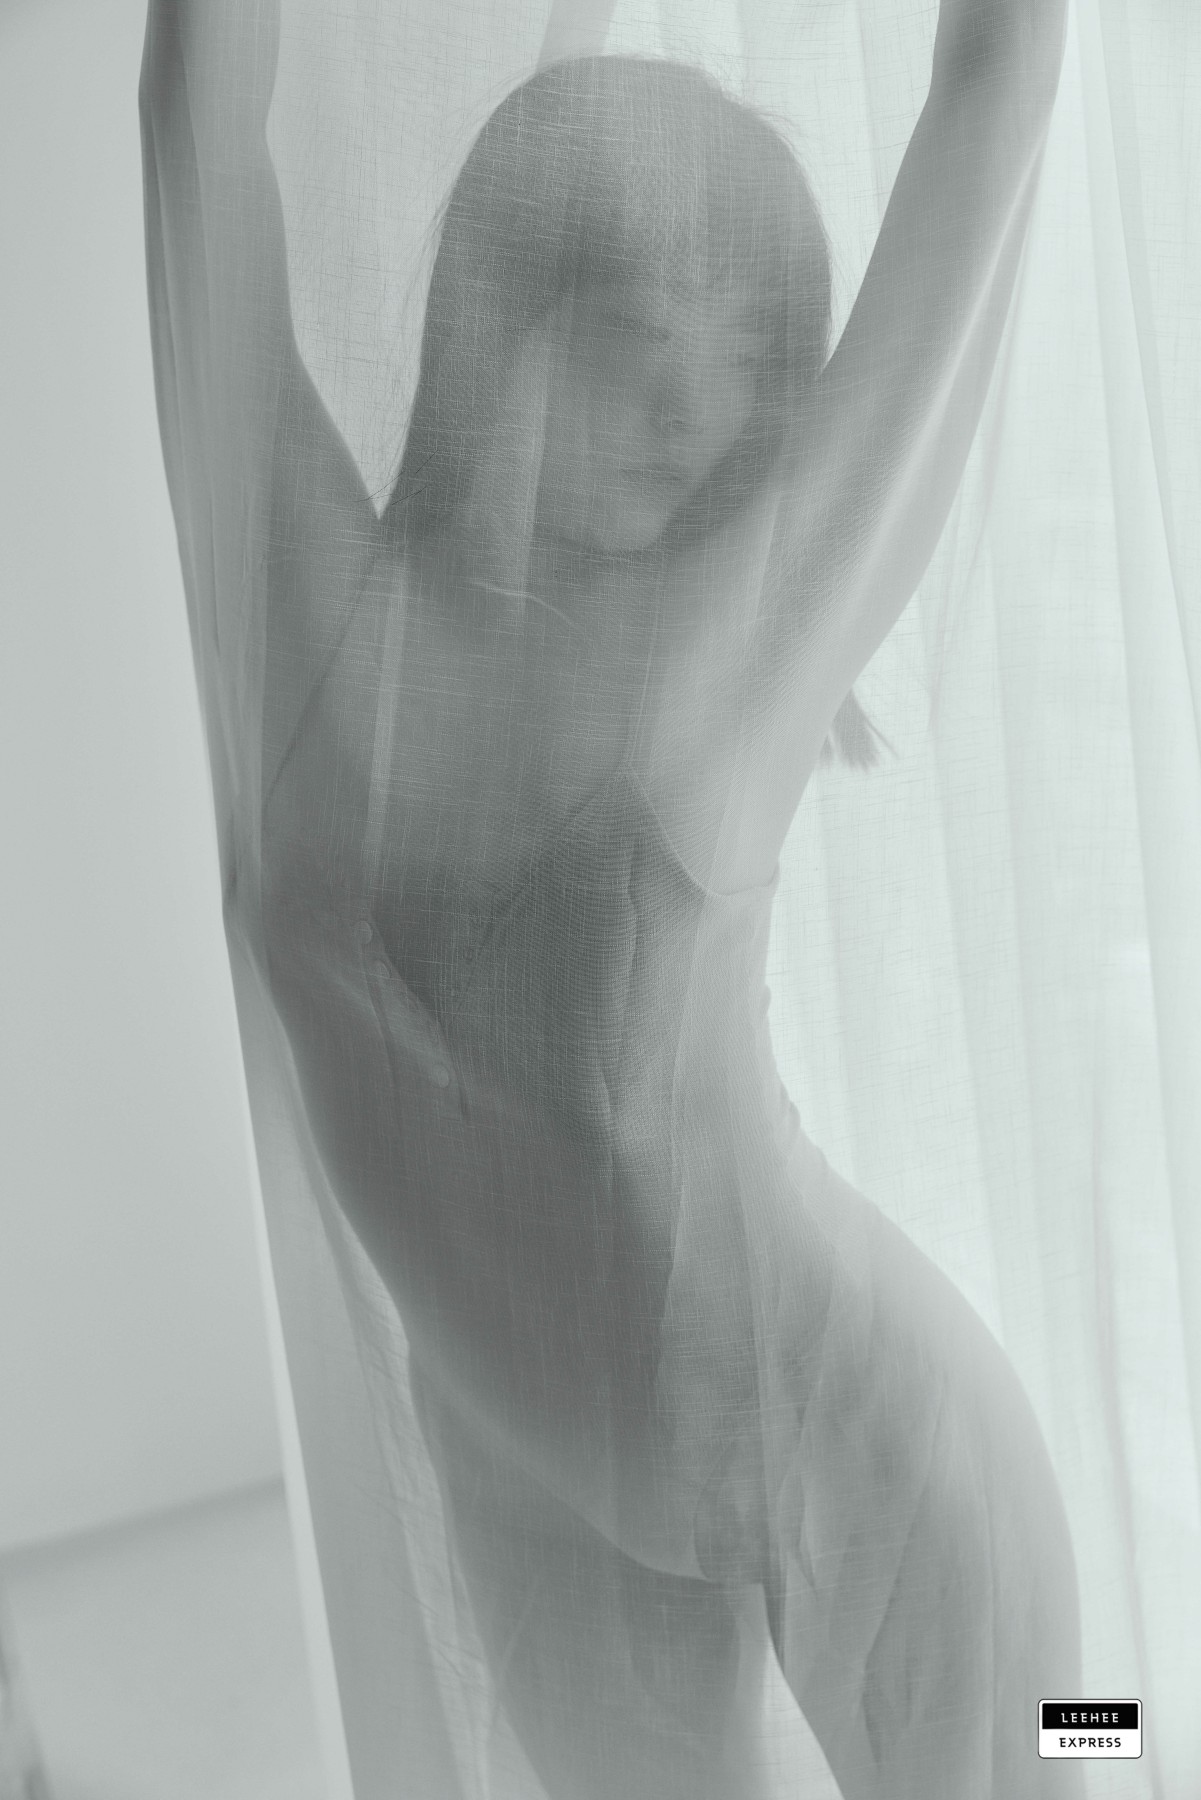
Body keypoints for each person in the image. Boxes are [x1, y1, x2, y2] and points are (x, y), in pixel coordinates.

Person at [142, 3, 1081, 1795]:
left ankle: (1134, 1730)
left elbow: (990, 101)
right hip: (524, 1484)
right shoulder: (309, 621)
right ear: (496, 309)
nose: (690, 404)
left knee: (1084, 1750)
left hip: (879, 1473)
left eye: (751, 350)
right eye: (634, 324)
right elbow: (196, 124)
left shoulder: (726, 657)